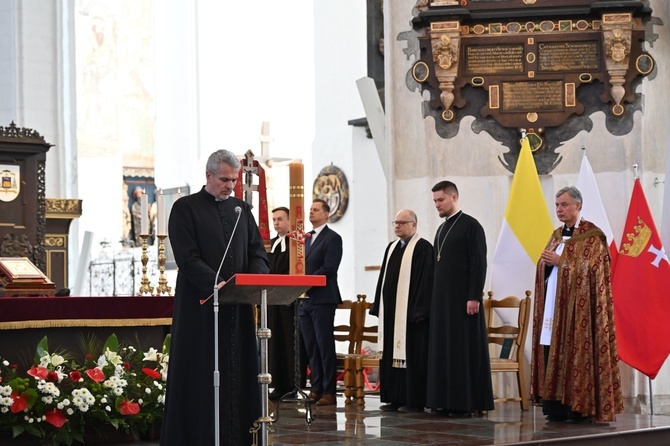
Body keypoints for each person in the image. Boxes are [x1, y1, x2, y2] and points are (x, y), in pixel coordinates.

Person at [161, 149, 270, 446]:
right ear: (208, 175)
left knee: (239, 372)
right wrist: (216, 283)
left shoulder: (241, 210)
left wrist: (255, 280)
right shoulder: (185, 208)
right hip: (201, 309)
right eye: (224, 179)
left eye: (233, 180)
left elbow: (257, 252)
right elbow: (187, 257)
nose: (230, 186)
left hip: (238, 308)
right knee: (201, 374)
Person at [530, 186, 623, 423]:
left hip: (579, 313)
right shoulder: (556, 235)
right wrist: (547, 265)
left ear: (578, 206)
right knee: (552, 350)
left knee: (577, 352)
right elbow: (544, 266)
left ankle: (579, 407)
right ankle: (556, 407)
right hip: (554, 307)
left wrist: (563, 262)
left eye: (564, 205)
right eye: (557, 205)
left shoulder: (592, 237)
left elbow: (596, 272)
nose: (559, 210)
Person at [426, 180, 494, 417]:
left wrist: (474, 295)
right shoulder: (441, 229)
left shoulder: (471, 226)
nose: (437, 205)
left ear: (454, 197)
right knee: (444, 350)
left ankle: (464, 403)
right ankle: (444, 400)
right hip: (442, 303)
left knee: (461, 352)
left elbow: (479, 263)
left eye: (441, 200)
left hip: (464, 302)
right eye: (434, 201)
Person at [370, 209, 434, 413]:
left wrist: (419, 310)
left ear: (414, 225)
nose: (397, 226)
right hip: (391, 315)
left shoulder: (423, 248)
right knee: (390, 355)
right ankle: (394, 398)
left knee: (412, 357)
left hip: (412, 316)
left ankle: (413, 401)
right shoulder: (392, 248)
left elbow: (426, 281)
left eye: (402, 222)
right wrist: (378, 305)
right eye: (395, 222)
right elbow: (383, 280)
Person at [299, 198, 343, 406]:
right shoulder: (305, 239)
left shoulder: (333, 238)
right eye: (310, 209)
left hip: (323, 298)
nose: (311, 212)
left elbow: (329, 267)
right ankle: (316, 388)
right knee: (311, 347)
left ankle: (329, 391)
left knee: (324, 345)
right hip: (305, 300)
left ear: (326, 214)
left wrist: (306, 284)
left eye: (316, 210)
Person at [267, 206, 307, 400]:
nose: (276, 223)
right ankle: (279, 384)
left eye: (280, 219)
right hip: (273, 299)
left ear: (290, 221)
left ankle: (292, 383)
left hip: (289, 300)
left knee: (290, 340)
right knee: (275, 341)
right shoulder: (272, 244)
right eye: (274, 219)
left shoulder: (296, 244)